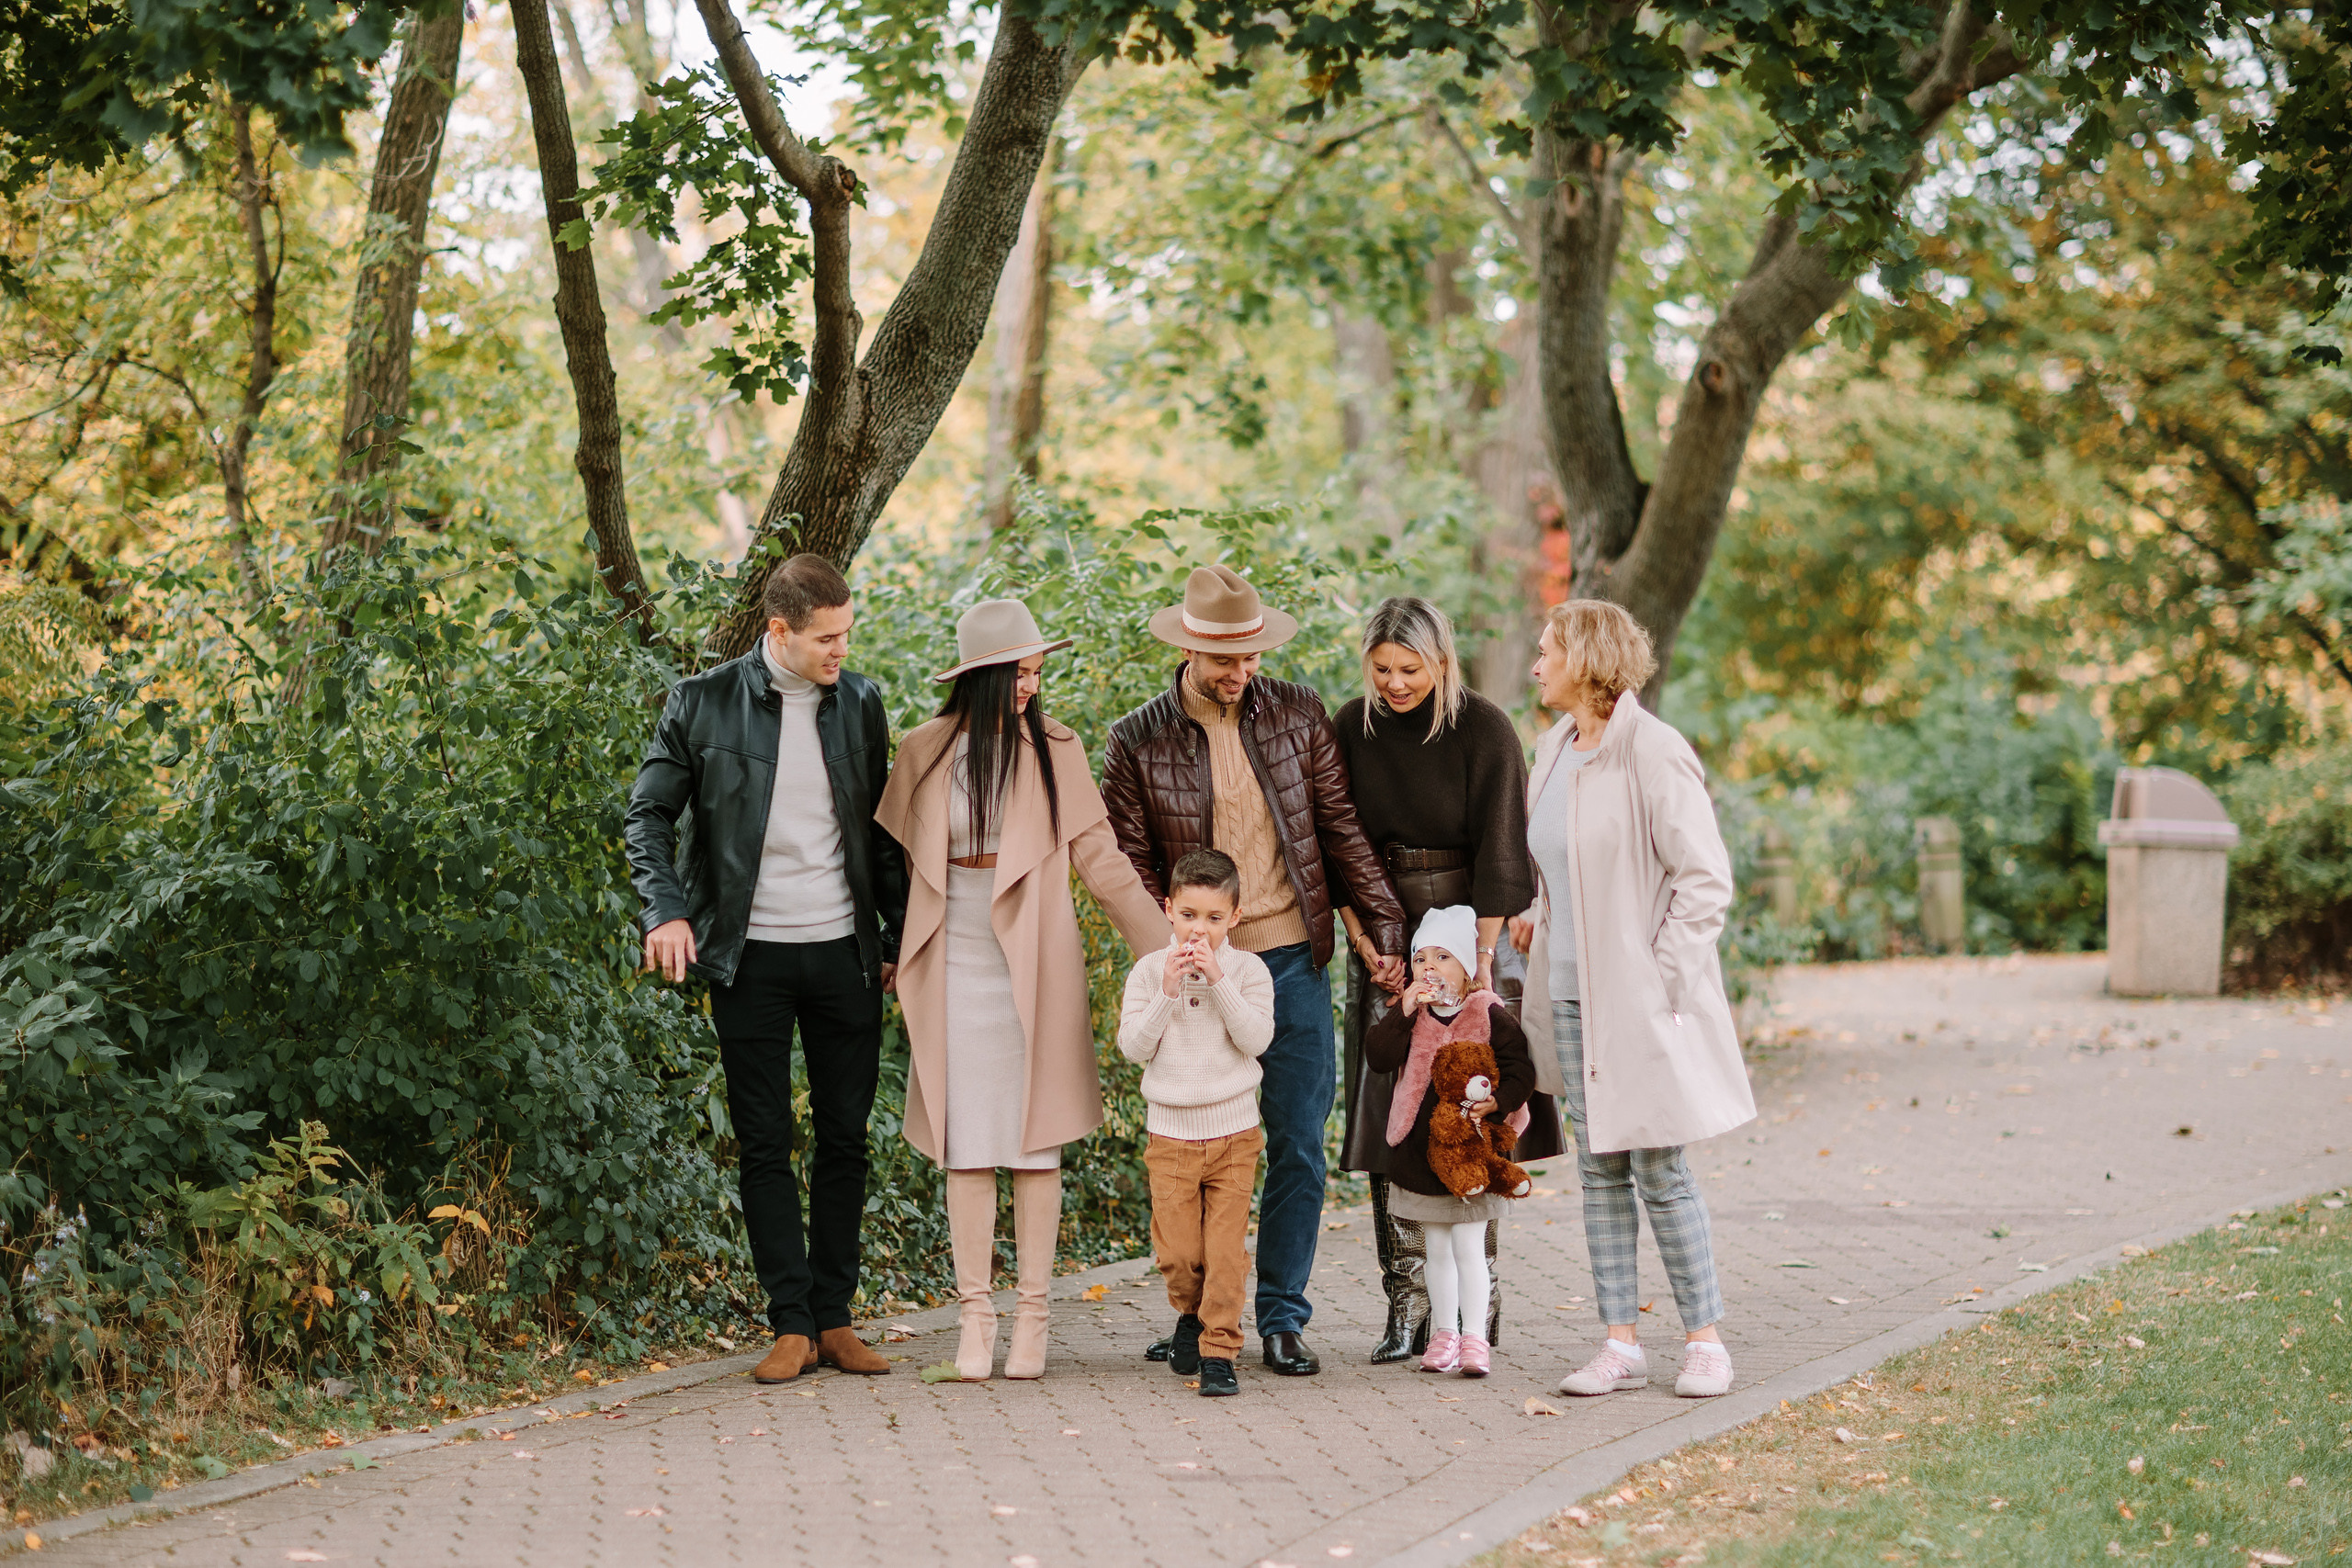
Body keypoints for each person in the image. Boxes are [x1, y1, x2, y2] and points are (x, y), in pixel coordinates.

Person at [1102, 564, 1408, 1378]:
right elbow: (1126, 870)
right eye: (1224, 659)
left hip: (1290, 960)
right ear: (1191, 648)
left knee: (1299, 1145)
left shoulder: (1300, 714)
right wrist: (1168, 965)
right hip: (1198, 972)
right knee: (1194, 1156)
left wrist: (1383, 929)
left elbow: (1338, 832)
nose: (1241, 673)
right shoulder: (1138, 738)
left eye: (1251, 657)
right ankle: (1201, 1315)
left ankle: (1279, 1315)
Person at [624, 554, 909, 1385]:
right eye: (827, 637)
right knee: (764, 1140)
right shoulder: (701, 701)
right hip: (747, 955)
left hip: (844, 952)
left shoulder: (858, 702)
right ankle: (790, 1321)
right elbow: (647, 813)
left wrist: (894, 938)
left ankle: (836, 1316)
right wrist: (666, 910)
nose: (841, 651)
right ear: (778, 630)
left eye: (848, 633)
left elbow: (882, 834)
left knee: (846, 1137)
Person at [875, 599, 1170, 1382]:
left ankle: (1033, 1313)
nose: (1032, 687)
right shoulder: (925, 750)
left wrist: (1170, 946)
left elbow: (1102, 861)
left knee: (1035, 1143)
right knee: (964, 1141)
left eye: (1038, 673)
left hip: (1033, 955)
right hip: (950, 953)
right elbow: (892, 865)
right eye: (1019, 674)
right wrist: (885, 953)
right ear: (980, 677)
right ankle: (975, 1318)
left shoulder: (1057, 750)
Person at [1509, 599, 1757, 1400]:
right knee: (1599, 1166)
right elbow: (1561, 860)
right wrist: (1536, 912)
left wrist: (1663, 977)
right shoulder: (1553, 747)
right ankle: (1619, 1341)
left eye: (1548, 650)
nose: (1537, 663)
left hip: (1638, 1000)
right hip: (1570, 994)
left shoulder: (1653, 751)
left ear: (1585, 659)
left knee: (1661, 1165)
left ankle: (1704, 1340)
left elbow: (1704, 878)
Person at [1330, 595, 1554, 1363]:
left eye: (1410, 668)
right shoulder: (1349, 726)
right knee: (1389, 1111)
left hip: (1472, 931)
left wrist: (1483, 965)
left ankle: (1476, 1304)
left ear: (1442, 662)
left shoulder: (1484, 728)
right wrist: (1368, 943)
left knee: (1472, 1108)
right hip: (1387, 927)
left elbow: (1502, 850)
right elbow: (1337, 838)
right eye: (1381, 668)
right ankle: (1407, 1301)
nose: (1394, 683)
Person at [1116, 849, 1277, 1399]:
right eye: (1189, 915)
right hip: (1172, 1136)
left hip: (1234, 1135)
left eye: (1213, 918)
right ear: (1168, 910)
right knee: (1181, 1253)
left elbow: (1256, 1040)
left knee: (1226, 1251)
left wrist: (1219, 983)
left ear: (1234, 917)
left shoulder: (1248, 971)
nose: (1199, 930)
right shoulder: (1146, 972)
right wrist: (1166, 990)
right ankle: (1190, 1314)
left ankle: (1220, 1349)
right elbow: (1134, 1047)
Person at [1362, 907, 1536, 1379]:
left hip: (1472, 1152)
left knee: (1469, 1247)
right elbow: (1378, 1057)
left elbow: (1520, 1068)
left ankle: (1475, 1336)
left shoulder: (1487, 1012)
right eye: (1421, 959)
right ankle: (1443, 1334)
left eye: (1443, 957)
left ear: (1465, 966)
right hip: (1420, 1151)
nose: (1429, 968)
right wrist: (1402, 1008)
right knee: (1434, 1249)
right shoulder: (1411, 1014)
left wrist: (1498, 1103)